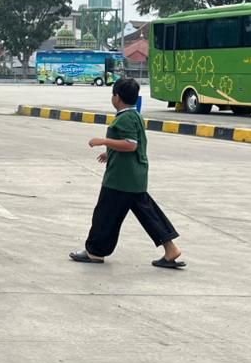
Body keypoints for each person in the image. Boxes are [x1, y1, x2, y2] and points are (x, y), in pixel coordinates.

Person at [69, 77, 185, 269]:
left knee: (104, 215)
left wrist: (103, 141)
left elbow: (131, 144)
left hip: (120, 179)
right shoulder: (135, 116)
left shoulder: (124, 118)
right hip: (135, 177)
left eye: (113, 94)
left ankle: (95, 252)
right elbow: (131, 142)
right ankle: (170, 248)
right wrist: (110, 152)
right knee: (149, 215)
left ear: (117, 97)